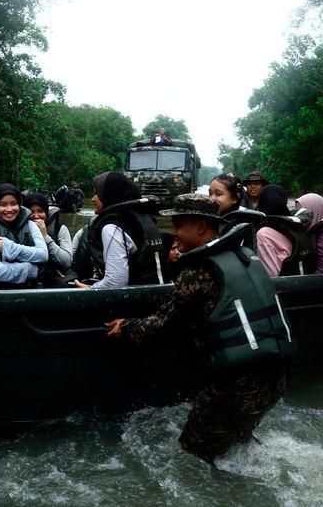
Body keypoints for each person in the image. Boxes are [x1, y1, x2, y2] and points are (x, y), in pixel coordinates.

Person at [104, 194, 294, 463]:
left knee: (192, 456)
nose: (174, 233)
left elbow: (160, 323)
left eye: (179, 225)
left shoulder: (200, 270)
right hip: (275, 375)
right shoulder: (243, 255)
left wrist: (125, 326)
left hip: (239, 383)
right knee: (237, 444)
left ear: (201, 227)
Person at [73, 172, 167, 289]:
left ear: (109, 195)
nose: (92, 199)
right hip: (157, 292)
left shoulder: (112, 228)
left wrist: (88, 289)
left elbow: (115, 282)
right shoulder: (143, 219)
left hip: (135, 300)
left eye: (96, 194)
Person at [0, 183, 48, 288]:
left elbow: (43, 255)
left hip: (27, 287)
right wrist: (28, 269)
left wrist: (8, 247)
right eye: (3, 204)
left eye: (13, 203)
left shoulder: (30, 225)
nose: (9, 209)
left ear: (19, 205)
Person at [255, 184, 315, 277]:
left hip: (284, 286)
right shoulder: (294, 223)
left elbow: (271, 274)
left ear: (262, 202)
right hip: (302, 279)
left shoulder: (264, 233)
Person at [25, 191, 72, 287]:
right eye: (31, 212)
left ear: (46, 212)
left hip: (54, 277)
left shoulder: (60, 229)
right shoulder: (19, 230)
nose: (36, 216)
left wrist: (45, 236)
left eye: (40, 211)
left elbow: (67, 262)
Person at [209, 173, 265, 249]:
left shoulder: (242, 225)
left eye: (218, 194)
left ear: (235, 198)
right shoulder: (208, 219)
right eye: (210, 193)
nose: (211, 199)